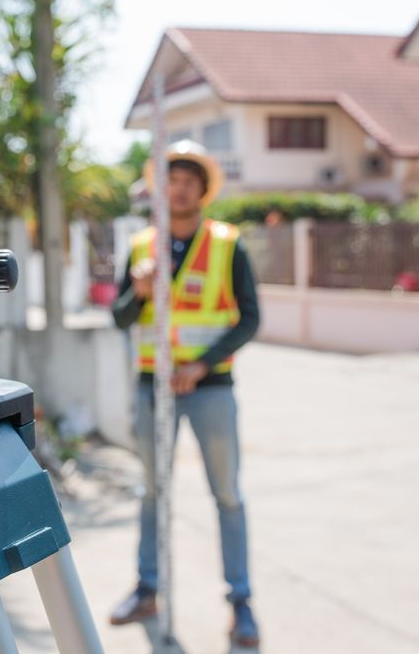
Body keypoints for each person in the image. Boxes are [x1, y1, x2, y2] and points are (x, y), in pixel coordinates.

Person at [109, 140, 261, 647]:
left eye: (188, 182)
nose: (178, 190)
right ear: (159, 188)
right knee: (153, 492)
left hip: (211, 389)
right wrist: (140, 292)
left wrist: (200, 365)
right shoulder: (140, 247)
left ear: (202, 190)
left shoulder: (226, 244)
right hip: (153, 389)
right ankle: (147, 588)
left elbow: (250, 318)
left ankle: (240, 602)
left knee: (227, 495)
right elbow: (119, 317)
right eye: (170, 181)